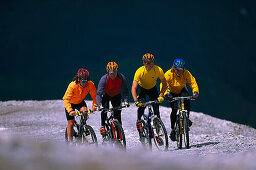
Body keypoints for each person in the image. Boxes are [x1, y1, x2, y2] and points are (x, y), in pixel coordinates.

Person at [131, 53, 167, 143]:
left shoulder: (158, 70)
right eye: (146, 63)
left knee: (156, 109)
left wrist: (161, 95)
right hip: (142, 89)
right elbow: (134, 87)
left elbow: (164, 84)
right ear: (143, 63)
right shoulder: (139, 71)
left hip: (152, 89)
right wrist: (136, 100)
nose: (148, 65)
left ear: (153, 62)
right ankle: (139, 121)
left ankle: (157, 133)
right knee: (142, 106)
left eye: (150, 63)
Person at [163, 58, 199, 141]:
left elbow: (192, 82)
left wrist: (195, 92)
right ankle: (173, 129)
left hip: (182, 90)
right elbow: (164, 85)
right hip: (171, 93)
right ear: (174, 68)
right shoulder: (168, 74)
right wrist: (166, 94)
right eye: (178, 70)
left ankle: (186, 119)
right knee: (174, 109)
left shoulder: (186, 73)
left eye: (181, 69)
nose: (180, 72)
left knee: (187, 101)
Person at [63, 68, 97, 143]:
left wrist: (94, 106)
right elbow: (66, 99)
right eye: (83, 81)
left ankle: (83, 129)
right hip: (70, 103)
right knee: (71, 123)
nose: (85, 83)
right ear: (78, 79)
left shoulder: (90, 84)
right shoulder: (72, 85)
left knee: (84, 112)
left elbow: (95, 96)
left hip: (80, 102)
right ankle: (71, 142)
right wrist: (70, 110)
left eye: (86, 81)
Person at [96, 61, 129, 136]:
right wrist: (99, 104)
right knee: (105, 109)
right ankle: (103, 126)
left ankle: (120, 138)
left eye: (114, 72)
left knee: (118, 116)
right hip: (106, 95)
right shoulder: (104, 79)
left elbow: (125, 91)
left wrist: (126, 100)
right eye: (111, 73)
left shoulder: (121, 77)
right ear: (108, 72)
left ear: (117, 71)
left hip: (116, 96)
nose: (113, 74)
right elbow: (99, 93)